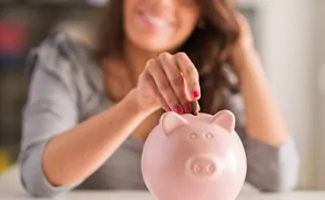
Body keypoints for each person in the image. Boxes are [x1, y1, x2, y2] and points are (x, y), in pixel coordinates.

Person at [19, 0, 300, 198]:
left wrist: (245, 54)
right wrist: (136, 105)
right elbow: (37, 179)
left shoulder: (214, 77)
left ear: (204, 12)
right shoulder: (67, 62)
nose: (161, 3)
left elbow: (276, 176)